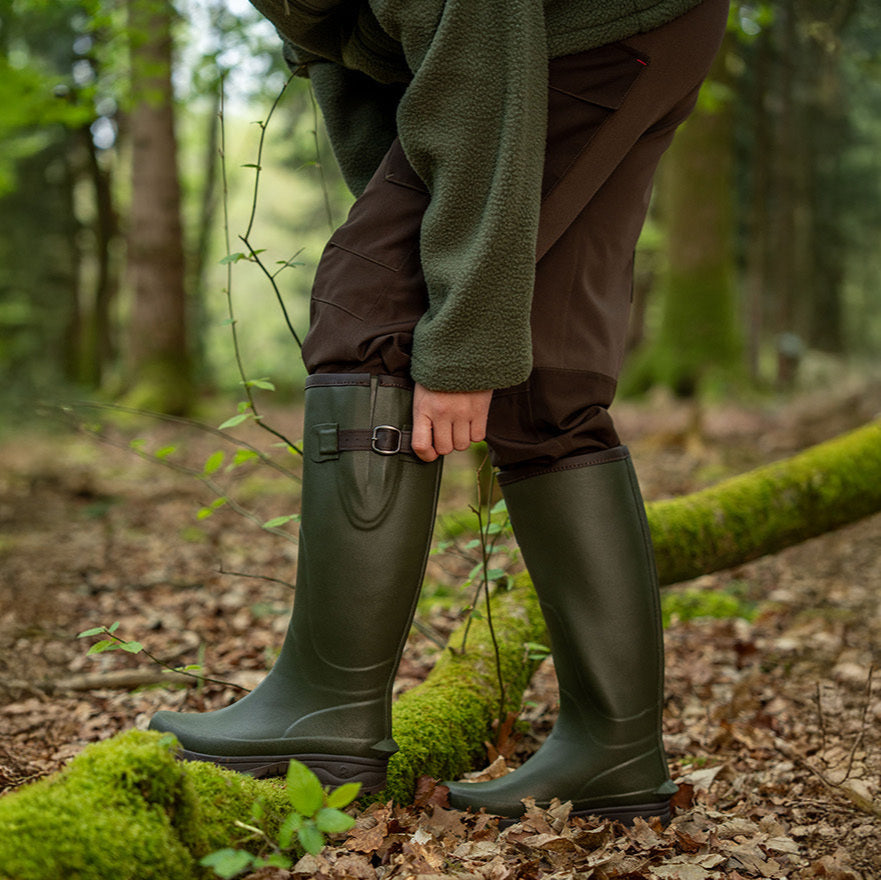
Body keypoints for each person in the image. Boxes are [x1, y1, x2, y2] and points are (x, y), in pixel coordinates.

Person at [150, 0, 730, 823]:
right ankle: (615, 751)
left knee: (366, 315)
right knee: (548, 389)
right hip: (641, 28)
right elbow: (352, 71)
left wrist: (455, 330)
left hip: (586, 31)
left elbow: (476, 57)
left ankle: (327, 708)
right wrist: (427, 258)